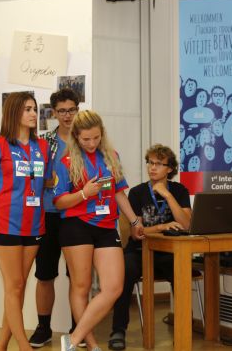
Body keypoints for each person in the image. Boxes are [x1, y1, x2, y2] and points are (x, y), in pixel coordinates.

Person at [53, 110, 142, 351]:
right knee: (80, 287)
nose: (91, 143)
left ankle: (72, 339)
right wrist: (84, 194)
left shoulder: (111, 156)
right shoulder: (65, 161)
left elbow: (119, 192)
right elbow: (59, 201)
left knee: (114, 287)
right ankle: (91, 344)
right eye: (86, 139)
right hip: (76, 226)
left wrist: (134, 221)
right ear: (76, 137)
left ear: (102, 134)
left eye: (96, 138)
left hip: (106, 226)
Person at [0, 92, 52, 351]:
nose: (33, 114)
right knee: (14, 285)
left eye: (34, 109)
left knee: (17, 289)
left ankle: (2, 346)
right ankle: (24, 346)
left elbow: (45, 183)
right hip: (4, 225)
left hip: (34, 225)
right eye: (27, 109)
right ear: (13, 113)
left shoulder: (42, 147)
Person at [108, 144, 191, 351]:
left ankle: (183, 328)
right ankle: (118, 330)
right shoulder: (136, 193)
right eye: (150, 163)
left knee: (183, 271)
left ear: (169, 169)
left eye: (158, 164)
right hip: (139, 251)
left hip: (169, 252)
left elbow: (187, 224)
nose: (152, 168)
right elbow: (137, 232)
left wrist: (167, 195)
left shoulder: (179, 191)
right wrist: (162, 226)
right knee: (124, 272)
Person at [27, 88, 90, 348]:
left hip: (78, 215)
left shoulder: (86, 139)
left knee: (79, 276)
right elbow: (32, 176)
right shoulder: (43, 142)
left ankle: (80, 327)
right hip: (48, 214)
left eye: (71, 110)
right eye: (62, 111)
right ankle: (43, 328)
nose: (67, 115)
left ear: (78, 109)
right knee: (45, 275)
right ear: (53, 113)